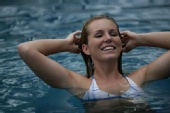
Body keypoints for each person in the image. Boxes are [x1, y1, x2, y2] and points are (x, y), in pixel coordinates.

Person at [18, 15, 170, 101]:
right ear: (86, 48)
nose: (108, 38)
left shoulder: (140, 78)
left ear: (121, 42)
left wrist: (140, 39)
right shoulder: (79, 84)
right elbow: (26, 49)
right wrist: (65, 44)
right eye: (99, 35)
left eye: (113, 34)